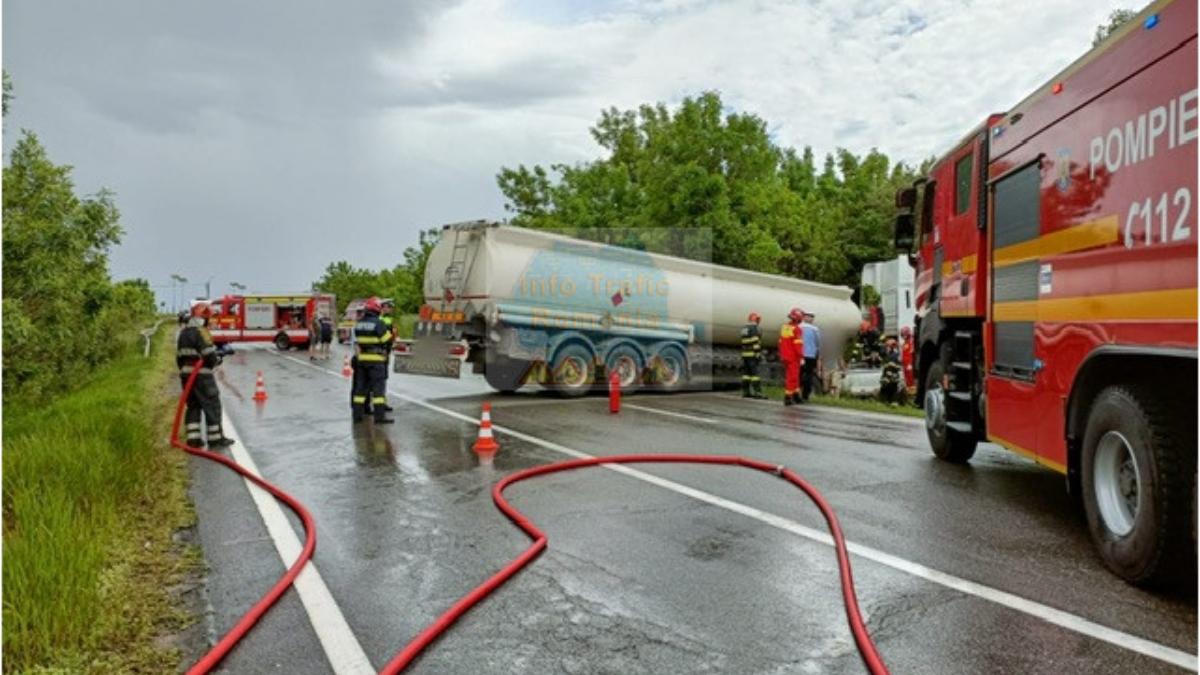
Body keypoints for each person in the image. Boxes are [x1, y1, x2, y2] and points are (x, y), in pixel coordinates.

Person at [176, 303, 234, 448]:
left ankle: (193, 439)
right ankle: (215, 439)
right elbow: (208, 354)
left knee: (193, 405)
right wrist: (216, 359)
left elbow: (179, 358)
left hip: (186, 375)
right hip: (201, 376)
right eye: (208, 318)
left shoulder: (183, 333)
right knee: (212, 404)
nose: (209, 321)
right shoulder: (201, 332)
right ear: (202, 318)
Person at [351, 296, 394, 424]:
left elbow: (358, 341)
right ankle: (379, 417)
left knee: (360, 389)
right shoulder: (378, 323)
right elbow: (387, 340)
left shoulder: (359, 323)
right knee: (378, 390)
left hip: (362, 360)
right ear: (376, 309)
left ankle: (357, 415)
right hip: (376, 360)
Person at [778, 307, 805, 406]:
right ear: (799, 319)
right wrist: (801, 357)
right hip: (793, 357)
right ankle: (788, 397)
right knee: (792, 377)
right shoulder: (797, 329)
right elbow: (798, 345)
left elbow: (781, 342)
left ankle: (796, 395)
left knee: (794, 376)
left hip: (785, 356)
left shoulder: (784, 327)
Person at [739, 312, 766, 399]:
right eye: (758, 319)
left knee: (746, 374)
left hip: (745, 354)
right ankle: (758, 392)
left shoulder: (744, 328)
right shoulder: (754, 328)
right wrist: (758, 353)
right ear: (755, 320)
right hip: (752, 354)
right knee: (755, 375)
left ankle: (746, 392)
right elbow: (755, 342)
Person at [378, 299, 396, 413]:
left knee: (382, 378)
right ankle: (379, 403)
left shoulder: (387, 319)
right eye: (388, 307)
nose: (390, 309)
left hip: (385, 351)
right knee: (380, 378)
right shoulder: (382, 320)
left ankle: (380, 401)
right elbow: (386, 337)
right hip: (381, 352)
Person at [800, 311, 821, 402]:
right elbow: (819, 343)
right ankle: (805, 395)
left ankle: (795, 393)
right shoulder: (815, 329)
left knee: (798, 374)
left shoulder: (799, 327)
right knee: (809, 375)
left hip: (800, 355)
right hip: (811, 356)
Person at [900, 325, 915, 391]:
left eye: (904, 334)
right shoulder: (905, 342)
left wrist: (910, 363)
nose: (903, 336)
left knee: (911, 377)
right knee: (906, 377)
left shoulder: (911, 341)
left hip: (909, 363)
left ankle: (912, 390)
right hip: (905, 363)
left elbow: (912, 352)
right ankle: (909, 390)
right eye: (902, 335)